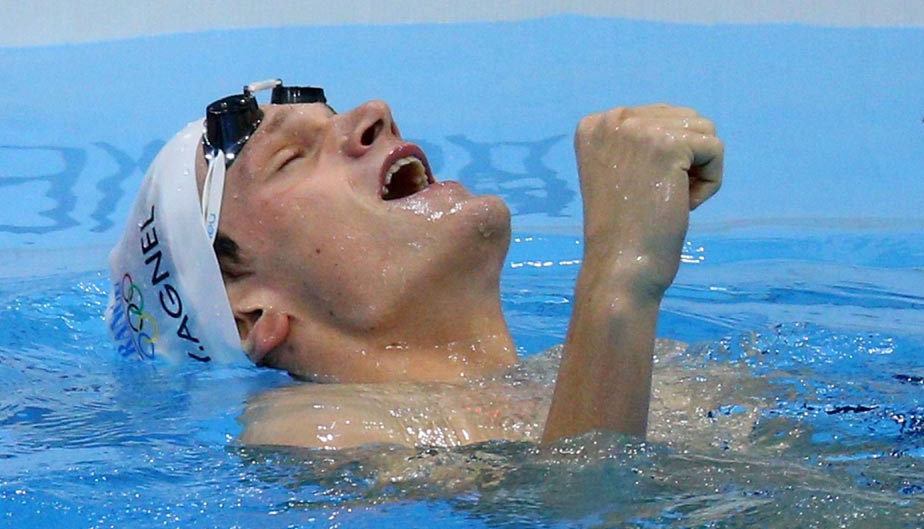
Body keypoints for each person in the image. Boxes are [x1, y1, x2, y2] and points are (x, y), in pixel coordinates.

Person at [107, 80, 724, 448]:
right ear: (250, 315)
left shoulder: (671, 375)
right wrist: (619, 277)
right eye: (292, 158)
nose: (374, 111)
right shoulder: (316, 434)